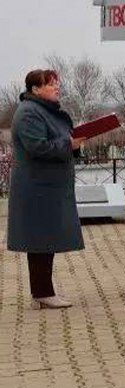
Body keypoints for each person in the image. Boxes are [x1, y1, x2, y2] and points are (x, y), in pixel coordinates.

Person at [6, 69, 85, 308]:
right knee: (40, 241)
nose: (56, 88)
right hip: (37, 188)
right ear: (35, 89)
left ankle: (41, 293)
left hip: (46, 187)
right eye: (51, 84)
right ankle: (42, 293)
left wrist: (74, 143)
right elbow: (37, 147)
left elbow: (55, 141)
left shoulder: (43, 111)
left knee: (44, 240)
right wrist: (69, 143)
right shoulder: (29, 113)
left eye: (56, 83)